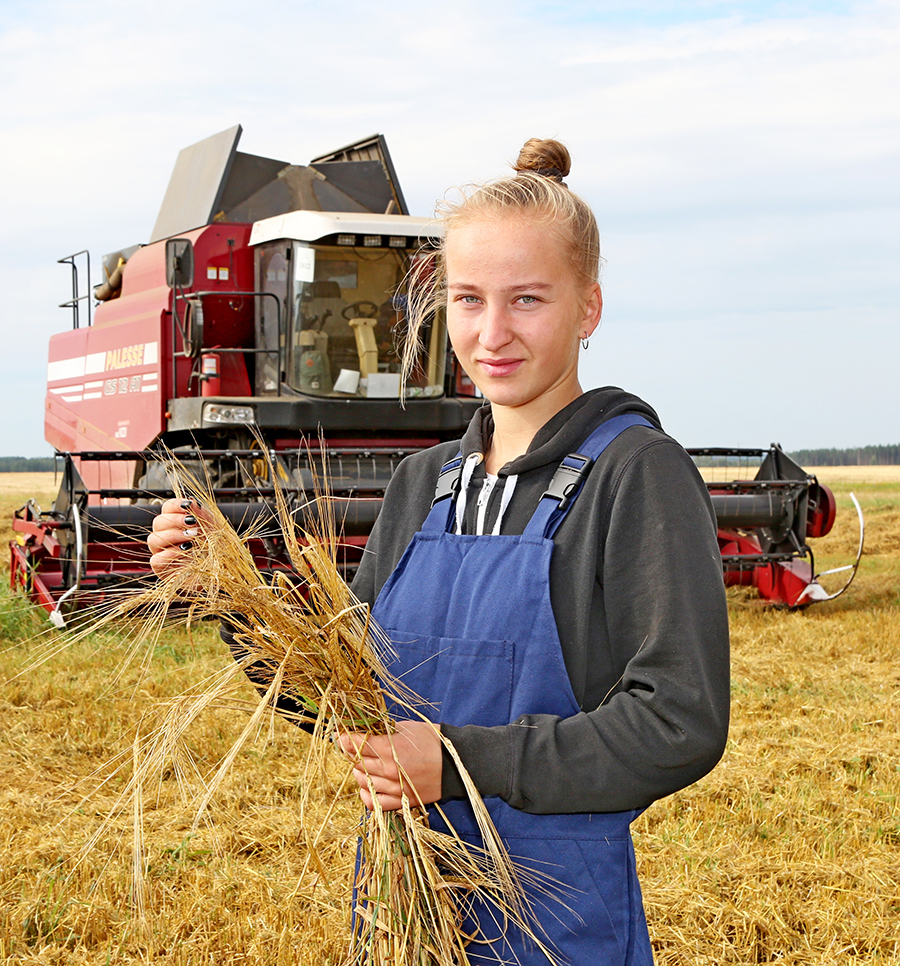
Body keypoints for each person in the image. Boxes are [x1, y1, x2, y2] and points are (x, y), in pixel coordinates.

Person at [149, 138, 730, 965]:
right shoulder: (425, 482)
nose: (491, 333)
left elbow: (680, 722)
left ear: (588, 308)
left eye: (527, 299)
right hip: (405, 905)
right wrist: (228, 598)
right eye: (467, 299)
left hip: (555, 924)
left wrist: (456, 761)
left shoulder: (636, 473)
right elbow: (344, 696)